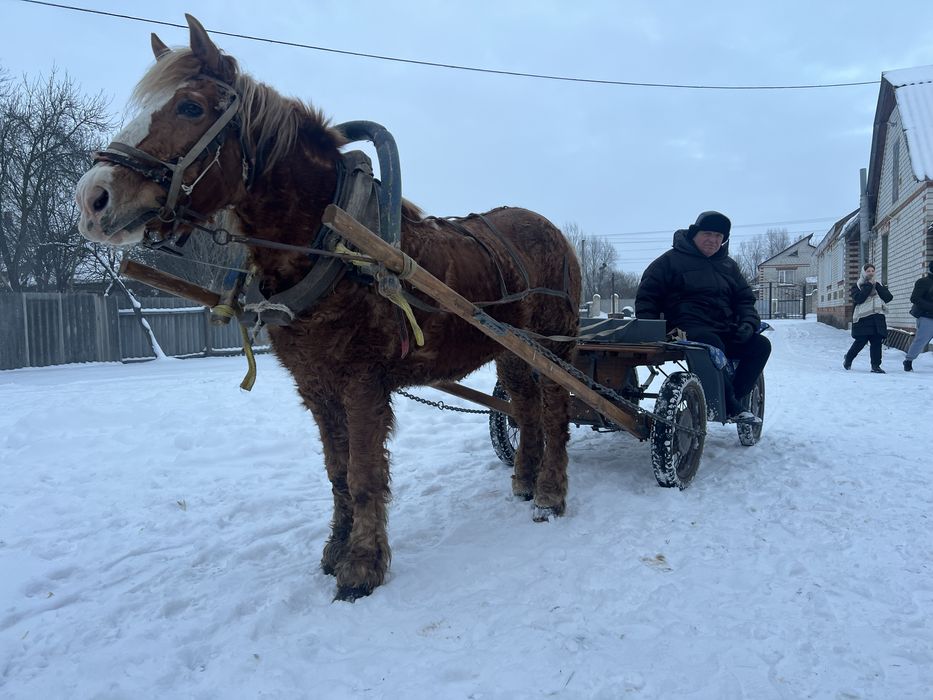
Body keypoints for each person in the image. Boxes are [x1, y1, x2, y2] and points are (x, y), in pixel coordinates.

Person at [635, 210, 771, 424]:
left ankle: (731, 397)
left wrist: (747, 324)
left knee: (760, 345)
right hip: (685, 329)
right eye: (707, 233)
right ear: (694, 234)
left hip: (725, 328)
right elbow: (647, 298)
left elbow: (745, 300)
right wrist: (651, 329)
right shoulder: (669, 262)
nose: (713, 240)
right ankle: (727, 405)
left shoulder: (729, 266)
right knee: (710, 344)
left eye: (718, 236)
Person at [843, 263, 893, 373]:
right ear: (863, 272)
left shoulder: (877, 284)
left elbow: (888, 298)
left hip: (877, 317)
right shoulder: (857, 285)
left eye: (872, 271)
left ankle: (875, 366)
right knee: (860, 341)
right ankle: (848, 358)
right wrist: (869, 285)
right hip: (863, 318)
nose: (870, 273)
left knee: (876, 342)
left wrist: (878, 286)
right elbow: (859, 298)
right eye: (868, 271)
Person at [903, 260, 933, 371]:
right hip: (926, 316)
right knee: (921, 340)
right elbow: (914, 298)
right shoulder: (923, 282)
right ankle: (908, 360)